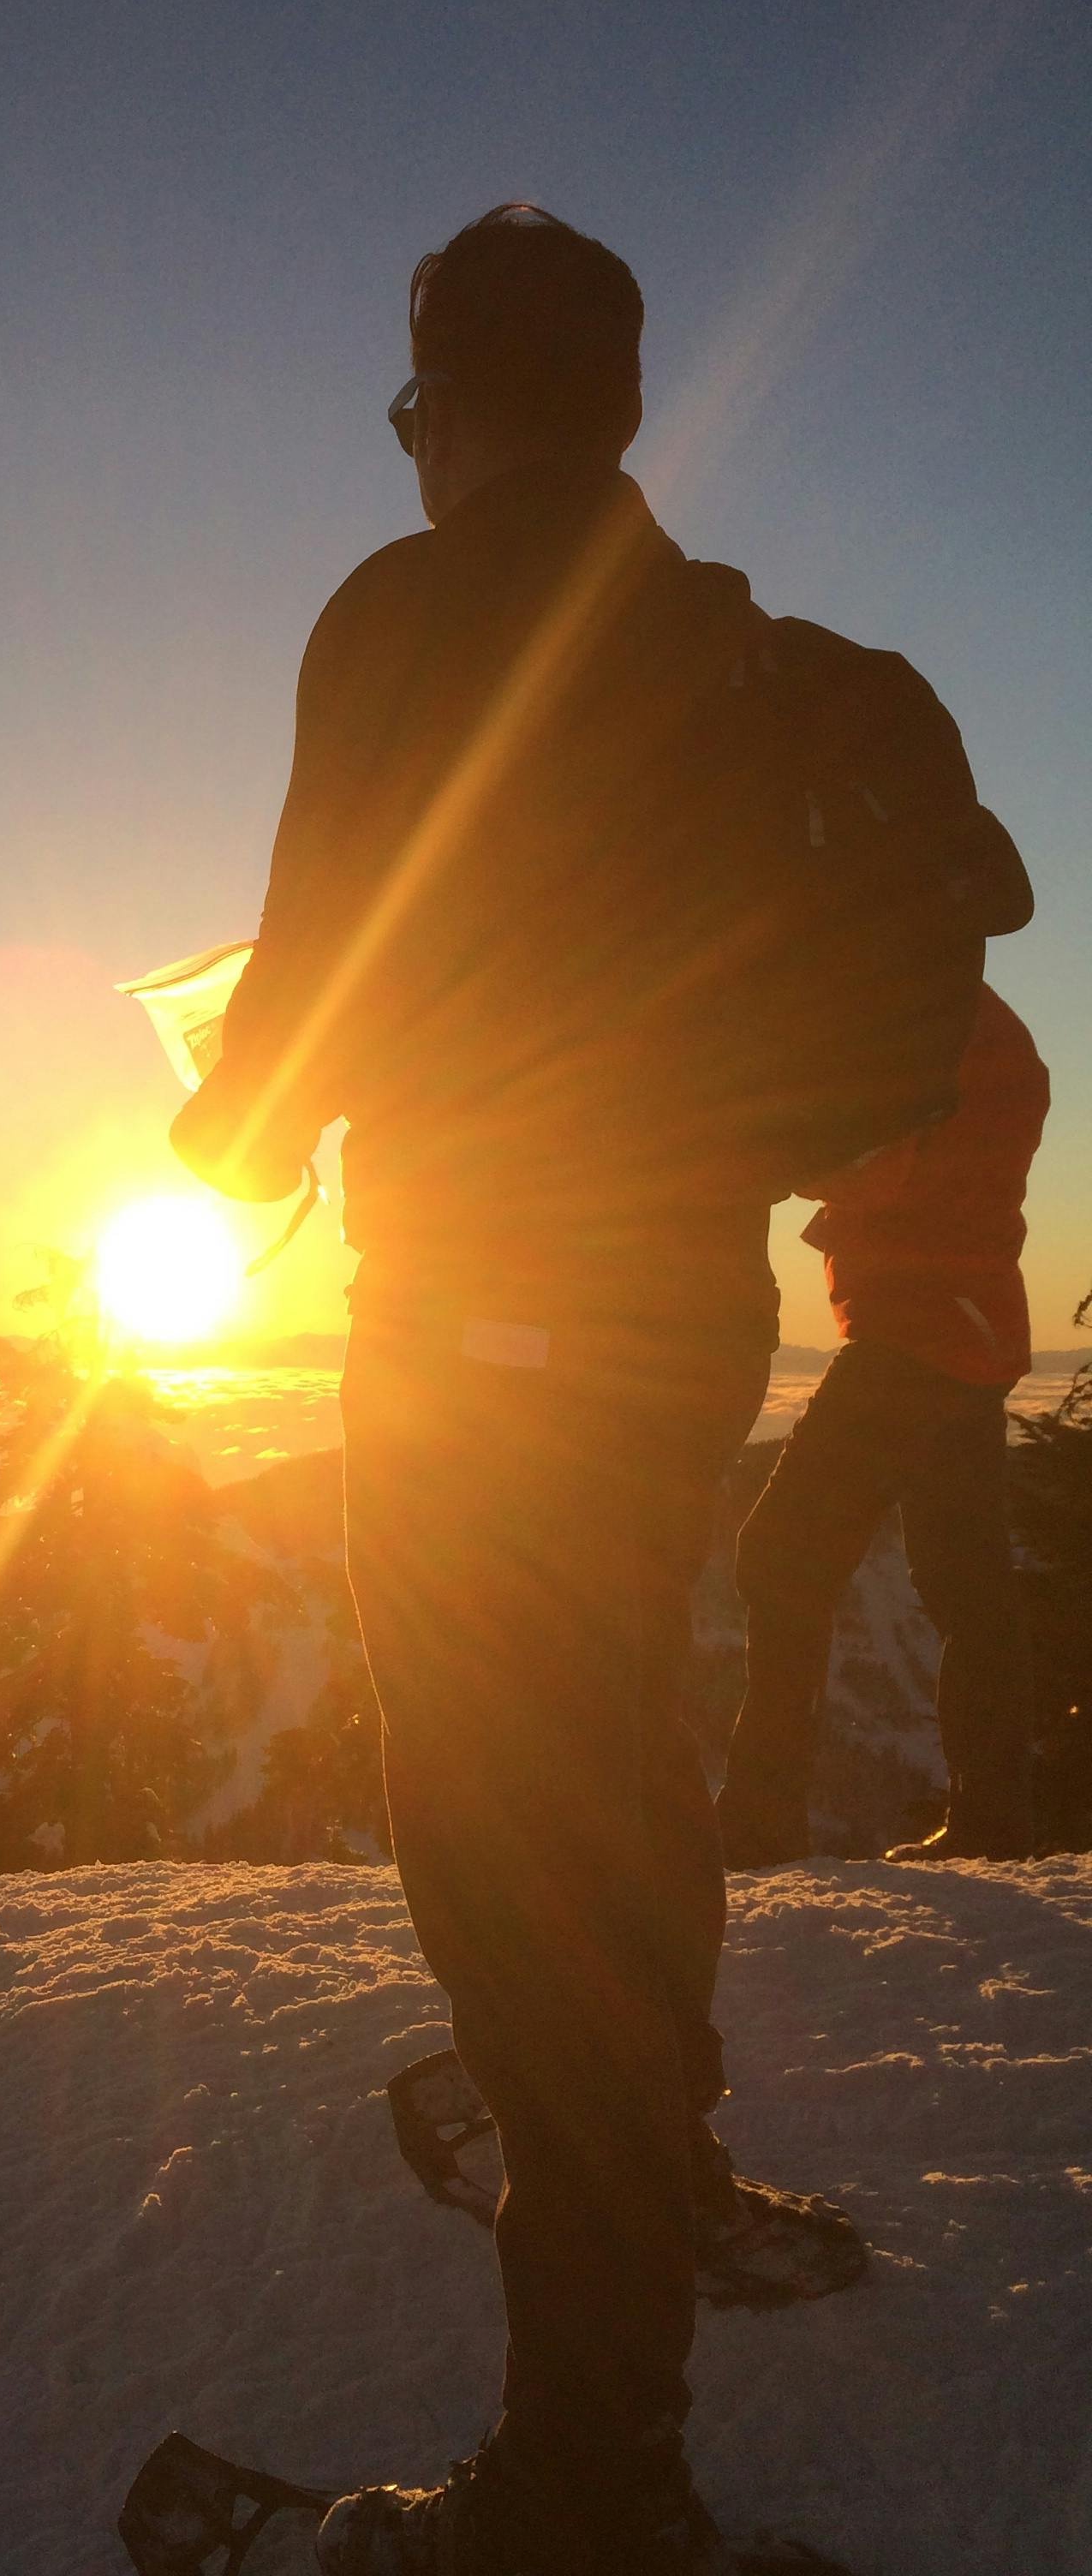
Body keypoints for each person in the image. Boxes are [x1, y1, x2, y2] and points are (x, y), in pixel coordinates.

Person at [170, 205, 971, 2576]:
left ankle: (588, 2493)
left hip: (475, 1345)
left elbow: (313, 973)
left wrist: (220, 1137)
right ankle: (668, 2152)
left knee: (514, 1862)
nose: (410, 451)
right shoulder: (734, 660)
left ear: (456, 410)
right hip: (669, 1335)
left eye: (415, 412)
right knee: (619, 1762)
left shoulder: (409, 615)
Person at [718, 985, 1050, 1870]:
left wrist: (758, 1152)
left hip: (922, 1325)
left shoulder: (934, 1016)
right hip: (965, 1324)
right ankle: (995, 1826)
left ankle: (758, 1823)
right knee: (964, 1582)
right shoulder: (966, 1015)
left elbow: (879, 1162)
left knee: (783, 1557)